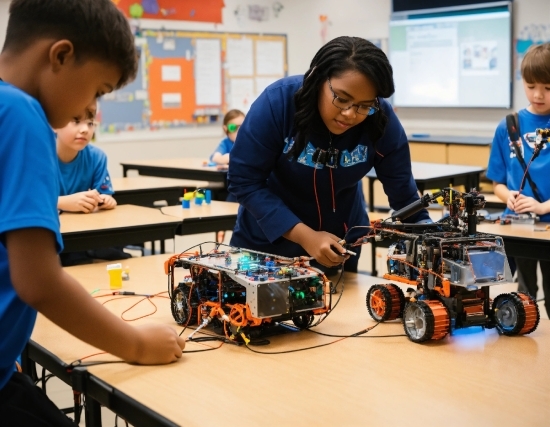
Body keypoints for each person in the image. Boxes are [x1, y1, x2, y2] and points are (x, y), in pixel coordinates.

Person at [0, 1, 185, 425]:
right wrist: (136, 345)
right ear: (61, 55)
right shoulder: (21, 115)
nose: (91, 107)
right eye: (98, 90)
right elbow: (39, 281)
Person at [227, 36, 430, 273]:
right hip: (266, 248)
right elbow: (244, 181)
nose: (350, 114)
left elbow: (404, 194)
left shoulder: (380, 118)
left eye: (364, 105)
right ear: (318, 79)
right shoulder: (278, 103)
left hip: (339, 246)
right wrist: (306, 237)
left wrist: (429, 234)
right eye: (342, 99)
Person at [486, 42, 550, 318]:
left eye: (548, 88)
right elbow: (497, 182)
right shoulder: (508, 125)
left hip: (547, 226)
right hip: (518, 226)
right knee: (523, 295)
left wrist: (542, 207)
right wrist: (507, 196)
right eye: (531, 85)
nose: (538, 94)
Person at [56, 105, 131, 266]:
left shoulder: (97, 157)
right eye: (76, 121)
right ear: (55, 124)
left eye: (90, 123)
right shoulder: (40, 157)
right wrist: (62, 202)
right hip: (51, 237)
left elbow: (103, 193)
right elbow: (27, 201)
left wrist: (105, 200)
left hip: (82, 234)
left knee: (117, 255)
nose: (84, 129)